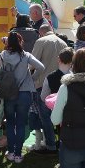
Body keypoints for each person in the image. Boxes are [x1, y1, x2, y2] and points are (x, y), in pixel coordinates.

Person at [0, 31, 44, 163]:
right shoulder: (26, 55)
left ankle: (11, 151)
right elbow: (41, 67)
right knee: (20, 124)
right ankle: (19, 154)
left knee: (9, 123)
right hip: (24, 93)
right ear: (20, 42)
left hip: (8, 93)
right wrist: (31, 78)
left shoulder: (3, 55)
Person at [31, 24, 67, 154]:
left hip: (43, 84)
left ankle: (50, 145)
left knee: (45, 116)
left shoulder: (41, 41)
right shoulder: (63, 42)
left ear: (41, 33)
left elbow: (32, 63)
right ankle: (61, 142)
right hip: (61, 83)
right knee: (61, 116)